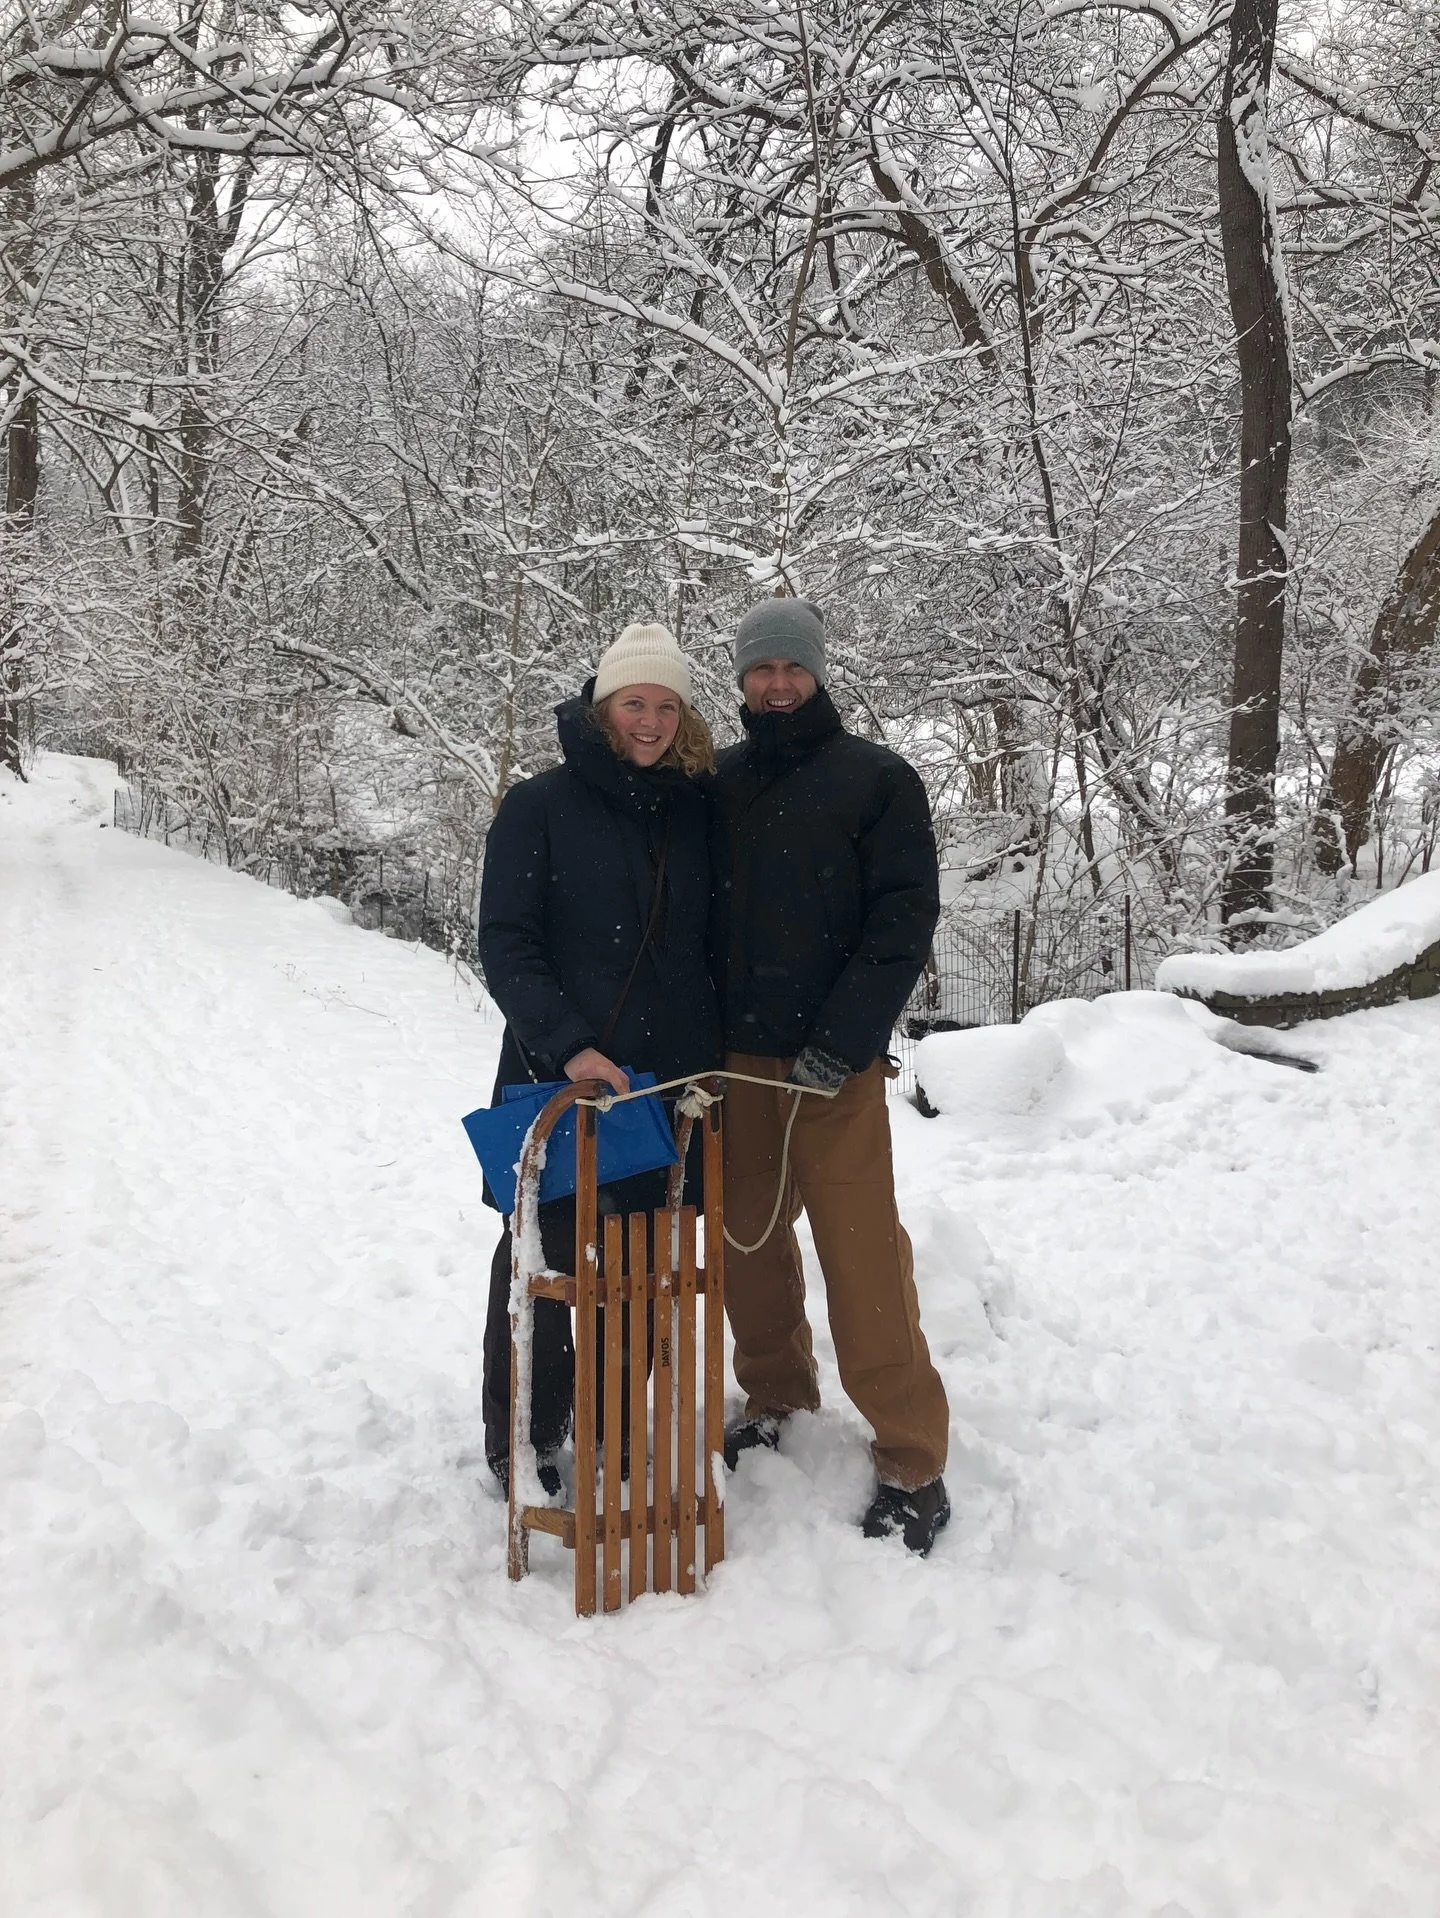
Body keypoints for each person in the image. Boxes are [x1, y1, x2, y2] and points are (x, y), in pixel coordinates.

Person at [712, 596, 952, 1555]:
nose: (777, 685)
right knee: (747, 1246)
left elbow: (902, 925)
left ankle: (911, 1456)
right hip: (735, 1065)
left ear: (817, 674)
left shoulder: (875, 780)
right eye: (761, 671)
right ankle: (774, 1391)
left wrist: (844, 1036)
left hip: (833, 1068)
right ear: (740, 680)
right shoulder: (714, 782)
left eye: (792, 669)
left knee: (862, 1262)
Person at [476, 622, 721, 1495]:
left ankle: (614, 1421)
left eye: (665, 705)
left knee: (638, 1267)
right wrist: (571, 1045)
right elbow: (505, 944)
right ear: (601, 706)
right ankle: (525, 1435)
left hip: (661, 1087)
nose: (649, 722)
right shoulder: (537, 806)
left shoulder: (697, 808)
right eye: (632, 703)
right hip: (559, 1076)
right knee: (542, 1266)